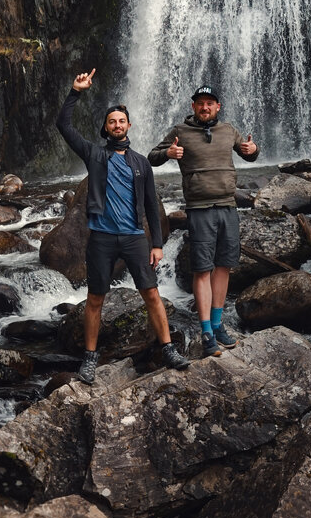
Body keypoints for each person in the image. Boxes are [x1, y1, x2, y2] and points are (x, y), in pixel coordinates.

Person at [56, 68, 190, 383]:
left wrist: (157, 244)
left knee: (152, 294)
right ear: (106, 128)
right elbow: (63, 125)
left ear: (129, 125)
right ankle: (90, 359)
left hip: (134, 239)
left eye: (121, 121)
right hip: (101, 239)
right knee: (94, 299)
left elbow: (150, 206)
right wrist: (76, 92)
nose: (117, 125)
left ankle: (168, 349)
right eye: (111, 121)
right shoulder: (94, 155)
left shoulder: (142, 163)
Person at [149, 85, 258, 357]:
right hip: (199, 209)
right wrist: (168, 154)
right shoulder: (180, 132)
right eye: (200, 103)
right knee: (202, 270)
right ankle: (207, 330)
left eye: (210, 103)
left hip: (228, 207)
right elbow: (153, 157)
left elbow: (249, 153)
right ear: (193, 107)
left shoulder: (229, 130)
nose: (205, 107)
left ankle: (219, 324)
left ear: (217, 107)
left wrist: (253, 149)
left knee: (224, 267)